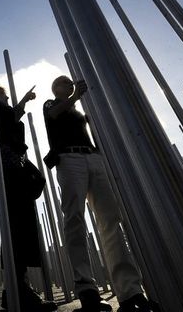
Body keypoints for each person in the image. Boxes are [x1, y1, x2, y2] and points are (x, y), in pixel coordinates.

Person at [43, 75, 158, 312]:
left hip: (93, 158)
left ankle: (129, 291)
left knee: (111, 220)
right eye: (64, 84)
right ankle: (87, 289)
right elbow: (53, 115)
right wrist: (75, 97)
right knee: (74, 219)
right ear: (56, 89)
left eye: (70, 84)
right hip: (69, 158)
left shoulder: (79, 112)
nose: (69, 86)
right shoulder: (51, 104)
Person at [0, 85, 56, 312]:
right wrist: (22, 103)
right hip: (7, 170)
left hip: (8, 169)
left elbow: (10, 118)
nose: (8, 98)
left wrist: (22, 102)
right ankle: (17, 290)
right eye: (5, 95)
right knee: (17, 226)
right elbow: (7, 121)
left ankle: (15, 288)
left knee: (18, 225)